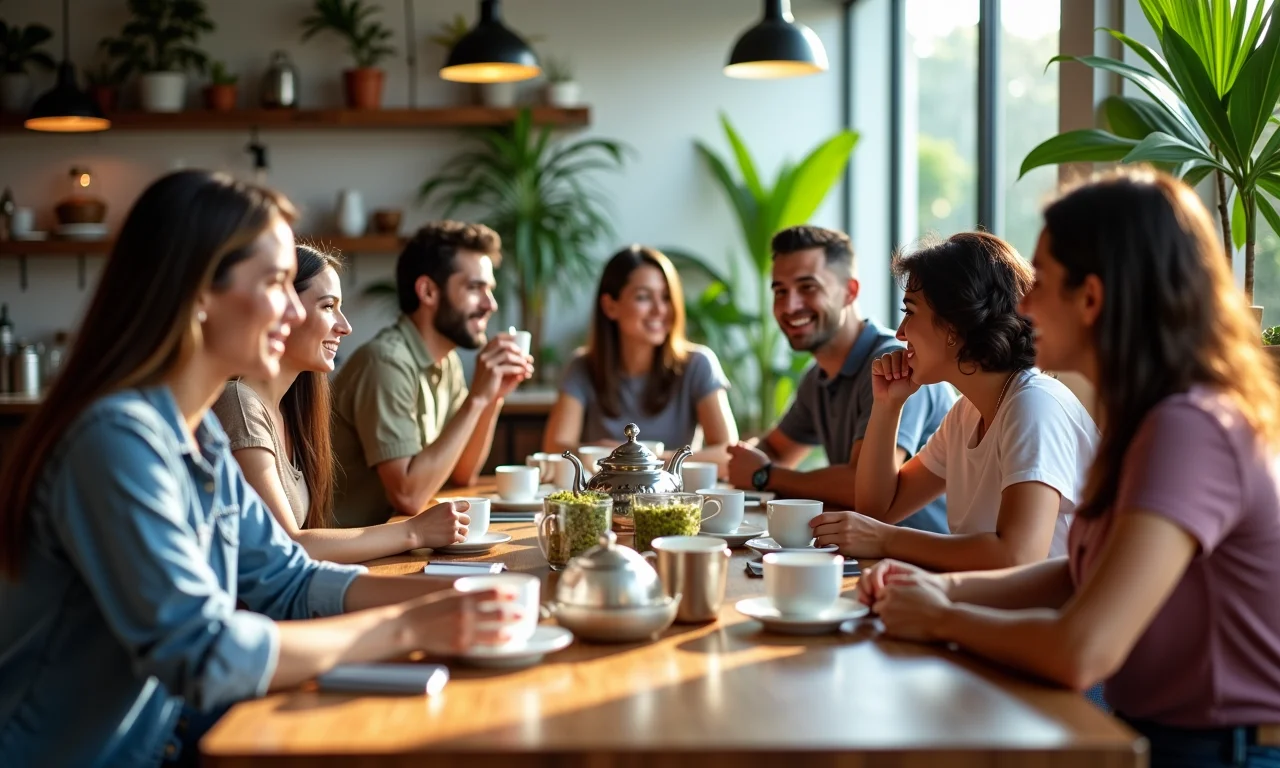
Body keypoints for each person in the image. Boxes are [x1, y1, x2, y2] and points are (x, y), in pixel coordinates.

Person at [0, 171, 521, 766]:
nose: (293, 307)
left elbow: (287, 579)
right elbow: (202, 654)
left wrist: (452, 594)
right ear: (198, 292)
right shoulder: (114, 441)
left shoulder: (197, 435)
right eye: (276, 283)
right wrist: (410, 626)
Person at [860, 169, 1280, 767]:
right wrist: (937, 588)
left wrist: (943, 615)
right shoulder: (1151, 417)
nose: (1022, 305)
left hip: (1211, 750)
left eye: (1043, 281)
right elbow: (1075, 573)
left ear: (1092, 299)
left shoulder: (1191, 429)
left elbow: (1082, 649)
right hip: (1169, 735)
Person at [818, 232, 1098, 571]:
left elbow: (1017, 556)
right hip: (991, 609)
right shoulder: (967, 413)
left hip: (1047, 618)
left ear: (953, 326)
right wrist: (888, 405)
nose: (901, 332)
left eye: (910, 312)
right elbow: (879, 509)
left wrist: (885, 539)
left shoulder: (1033, 405)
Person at [213, 245, 468, 564]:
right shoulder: (238, 401)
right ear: (283, 310)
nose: (345, 326)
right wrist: (414, 531)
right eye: (328, 306)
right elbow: (287, 545)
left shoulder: (290, 409)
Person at [725, 225, 954, 533]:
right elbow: (777, 449)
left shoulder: (896, 365)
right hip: (866, 554)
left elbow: (860, 487)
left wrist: (765, 475)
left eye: (807, 287)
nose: (790, 306)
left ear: (850, 291)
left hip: (923, 562)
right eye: (780, 291)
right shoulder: (818, 378)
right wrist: (742, 457)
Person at [330, 221, 533, 528]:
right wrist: (476, 398)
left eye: (489, 289)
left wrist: (493, 397)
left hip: (401, 543)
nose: (490, 304)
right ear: (427, 291)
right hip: (351, 558)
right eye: (475, 288)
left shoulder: (445, 361)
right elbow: (408, 496)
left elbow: (461, 472)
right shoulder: (386, 363)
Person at [543, 245, 738, 458]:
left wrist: (641, 460)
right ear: (610, 307)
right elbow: (554, 448)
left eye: (665, 297)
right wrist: (600, 453)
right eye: (644, 297)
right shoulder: (582, 367)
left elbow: (728, 454)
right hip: (606, 492)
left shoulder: (699, 364)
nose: (659, 309)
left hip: (675, 492)